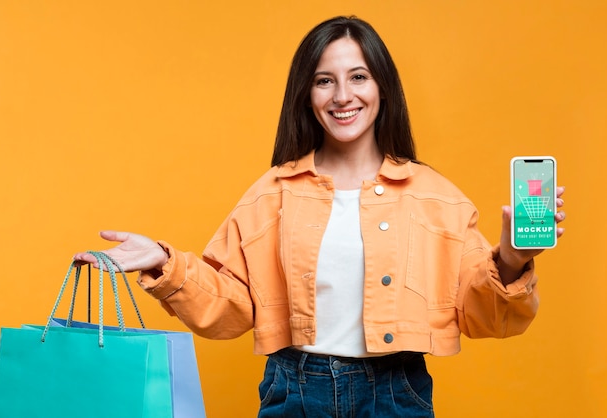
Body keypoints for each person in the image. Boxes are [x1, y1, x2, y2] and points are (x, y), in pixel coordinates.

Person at [74, 16, 566, 418]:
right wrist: (163, 262)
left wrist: (511, 259)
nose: (342, 96)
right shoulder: (273, 192)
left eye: (358, 76)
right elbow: (232, 309)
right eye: (324, 81)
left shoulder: (436, 197)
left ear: (382, 87)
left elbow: (484, 318)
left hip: (396, 394)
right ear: (307, 96)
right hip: (294, 391)